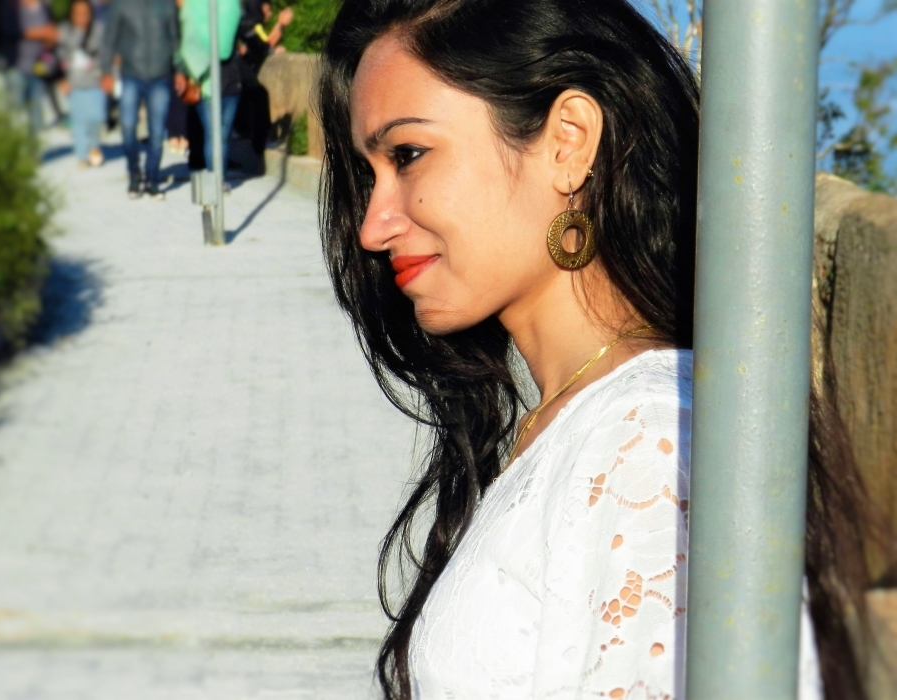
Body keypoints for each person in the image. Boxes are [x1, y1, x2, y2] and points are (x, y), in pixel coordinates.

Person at [317, 1, 889, 698]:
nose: (372, 226)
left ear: (569, 141)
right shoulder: (582, 419)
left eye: (408, 155)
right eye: (369, 173)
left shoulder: (647, 444)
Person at [99, 0, 180, 200]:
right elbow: (110, 38)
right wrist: (106, 71)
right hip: (131, 75)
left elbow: (175, 38)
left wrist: (180, 70)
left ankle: (152, 180)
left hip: (160, 76)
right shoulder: (121, 4)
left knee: (157, 132)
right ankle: (134, 174)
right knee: (127, 126)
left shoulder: (167, 4)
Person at [176, 0, 243, 177]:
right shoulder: (197, 9)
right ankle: (216, 180)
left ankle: (217, 179)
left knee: (219, 136)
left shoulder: (228, 7)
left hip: (227, 82)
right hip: (209, 84)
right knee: (216, 135)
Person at [0, 0, 60, 136]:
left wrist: (50, 38)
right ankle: (16, 143)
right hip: (16, 66)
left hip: (38, 67)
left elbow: (52, 30)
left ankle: (36, 145)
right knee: (16, 111)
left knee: (36, 109)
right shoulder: (11, 6)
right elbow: (12, 30)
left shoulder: (44, 6)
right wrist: (41, 32)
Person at [59, 0, 106, 168]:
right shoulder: (65, 31)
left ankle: (93, 146)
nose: (82, 17)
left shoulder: (99, 29)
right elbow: (59, 56)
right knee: (78, 121)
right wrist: (62, 78)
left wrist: (106, 74)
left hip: (95, 82)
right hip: (74, 84)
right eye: (77, 13)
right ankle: (81, 155)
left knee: (96, 117)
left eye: (85, 13)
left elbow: (106, 53)